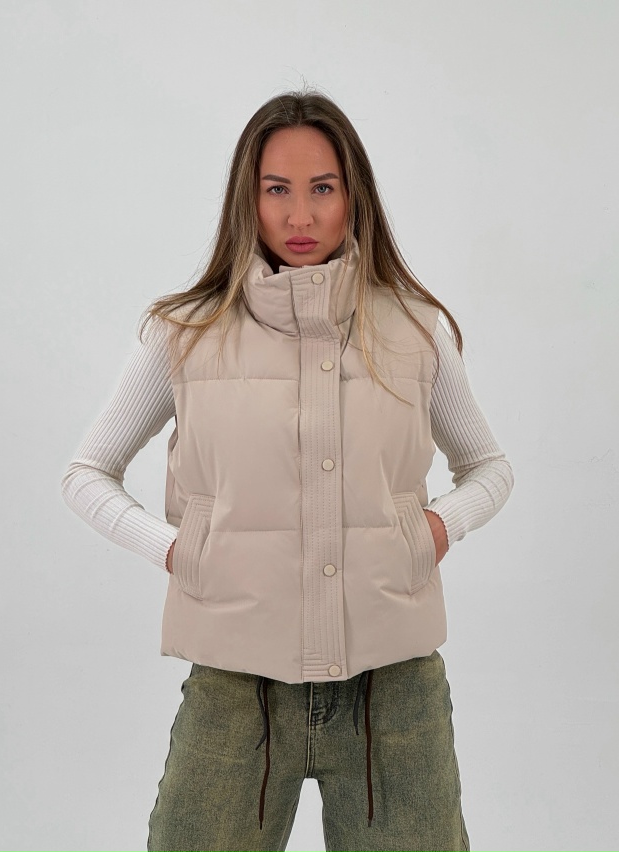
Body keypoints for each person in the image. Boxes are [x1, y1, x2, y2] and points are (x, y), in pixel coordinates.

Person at [61, 89, 514, 852]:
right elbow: (86, 472)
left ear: (354, 196)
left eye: (322, 189)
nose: (300, 216)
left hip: (393, 690)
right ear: (249, 199)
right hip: (235, 686)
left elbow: (489, 468)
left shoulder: (415, 329)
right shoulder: (183, 335)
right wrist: (178, 549)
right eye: (277, 189)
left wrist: (437, 528)